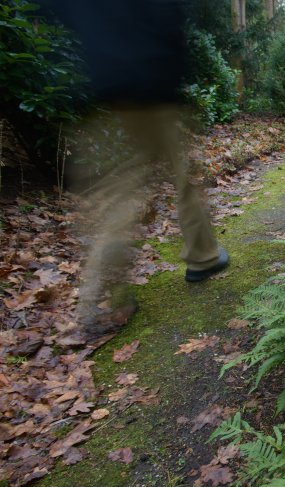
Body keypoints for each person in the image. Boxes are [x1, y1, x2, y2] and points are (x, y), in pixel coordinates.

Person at [39, 0, 229, 334]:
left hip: (108, 84)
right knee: (185, 175)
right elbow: (168, 17)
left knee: (120, 190)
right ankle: (203, 256)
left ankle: (97, 299)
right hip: (153, 81)